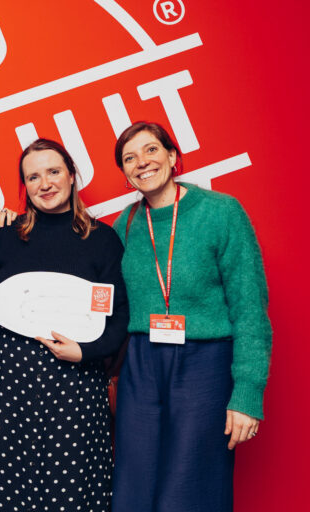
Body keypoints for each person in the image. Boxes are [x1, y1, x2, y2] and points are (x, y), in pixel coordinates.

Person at [0, 138, 129, 512]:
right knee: (2, 484)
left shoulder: (102, 241)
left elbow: (116, 321)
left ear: (71, 175)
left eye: (53, 172)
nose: (45, 183)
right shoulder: (5, 238)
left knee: (71, 483)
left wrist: (84, 352)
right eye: (33, 177)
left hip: (75, 381)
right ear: (25, 186)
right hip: (5, 384)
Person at [110, 121, 272, 512]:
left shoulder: (221, 212)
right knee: (134, 488)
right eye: (130, 158)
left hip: (204, 364)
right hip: (141, 366)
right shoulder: (124, 224)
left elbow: (250, 307)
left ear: (172, 156)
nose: (142, 162)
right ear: (125, 173)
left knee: (191, 487)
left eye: (151, 150)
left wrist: (247, 394)